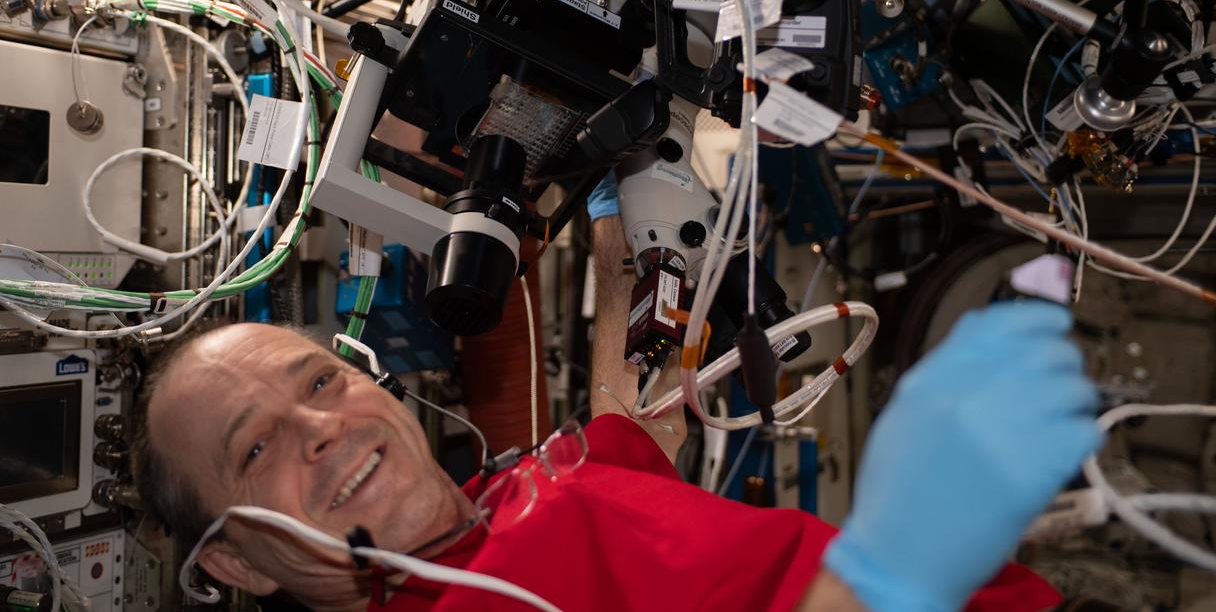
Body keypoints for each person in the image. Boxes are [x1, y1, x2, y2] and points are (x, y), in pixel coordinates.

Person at [131, 197, 1102, 612]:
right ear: (231, 559)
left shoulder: (506, 496)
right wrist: (894, 568)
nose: (323, 426)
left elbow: (635, 417)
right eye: (256, 448)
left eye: (320, 380)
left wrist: (619, 228)